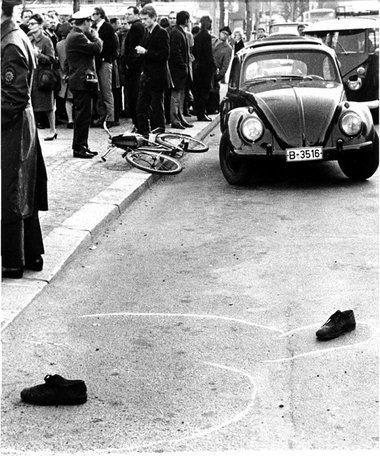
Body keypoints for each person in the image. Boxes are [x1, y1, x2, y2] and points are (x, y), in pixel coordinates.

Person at [1, 0, 48, 279]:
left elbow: (12, 97)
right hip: (18, 125)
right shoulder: (12, 37)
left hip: (13, 127)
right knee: (21, 189)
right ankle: (31, 254)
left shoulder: (10, 43)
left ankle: (13, 261)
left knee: (11, 192)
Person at [66, 8, 103, 158]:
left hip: (81, 82)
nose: (91, 27)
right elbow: (97, 48)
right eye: (90, 23)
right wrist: (97, 36)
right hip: (81, 83)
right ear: (86, 22)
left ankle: (83, 145)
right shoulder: (77, 36)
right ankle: (79, 148)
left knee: (84, 116)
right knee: (82, 117)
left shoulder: (77, 35)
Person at [135, 5, 171, 135]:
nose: (143, 22)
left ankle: (159, 136)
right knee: (141, 107)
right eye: (142, 19)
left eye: (145, 19)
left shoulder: (161, 32)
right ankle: (145, 134)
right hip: (147, 76)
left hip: (157, 77)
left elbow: (164, 55)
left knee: (156, 109)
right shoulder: (148, 32)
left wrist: (145, 51)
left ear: (154, 18)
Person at [28, 13, 57, 141]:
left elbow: (51, 59)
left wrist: (38, 55)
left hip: (43, 76)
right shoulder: (29, 39)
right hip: (32, 76)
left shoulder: (46, 41)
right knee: (33, 104)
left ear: (40, 25)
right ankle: (32, 130)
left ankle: (53, 130)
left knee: (48, 105)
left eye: (33, 23)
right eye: (29, 24)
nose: (30, 26)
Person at [92, 7, 118, 128]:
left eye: (95, 14)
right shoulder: (95, 27)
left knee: (106, 90)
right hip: (97, 62)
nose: (93, 16)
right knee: (99, 91)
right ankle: (103, 115)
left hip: (104, 61)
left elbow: (112, 46)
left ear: (100, 15)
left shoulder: (107, 27)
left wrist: (105, 57)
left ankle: (110, 117)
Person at [168, 11, 193, 129]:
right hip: (177, 70)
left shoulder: (178, 31)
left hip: (180, 69)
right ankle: (175, 119)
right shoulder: (177, 33)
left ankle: (180, 117)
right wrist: (183, 65)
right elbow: (175, 52)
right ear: (186, 20)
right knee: (176, 96)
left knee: (180, 95)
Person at [124, 5, 145, 128]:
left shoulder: (136, 27)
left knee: (134, 97)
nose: (127, 16)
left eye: (129, 14)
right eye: (126, 14)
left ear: (137, 15)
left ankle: (137, 125)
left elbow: (135, 48)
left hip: (134, 70)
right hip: (136, 68)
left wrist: (129, 65)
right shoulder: (136, 26)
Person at [192, 15, 216, 121]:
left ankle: (199, 112)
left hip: (198, 67)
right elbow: (208, 54)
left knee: (199, 92)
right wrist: (214, 67)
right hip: (205, 68)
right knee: (204, 92)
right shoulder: (206, 36)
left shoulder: (197, 36)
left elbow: (194, 52)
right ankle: (201, 114)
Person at [208, 25, 232, 114]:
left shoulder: (228, 48)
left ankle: (214, 108)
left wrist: (220, 75)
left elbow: (226, 64)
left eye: (227, 34)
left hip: (216, 71)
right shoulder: (212, 41)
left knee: (214, 91)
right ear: (220, 33)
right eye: (223, 33)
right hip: (207, 69)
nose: (225, 35)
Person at [55, 21, 74, 128]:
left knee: (68, 99)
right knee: (77, 98)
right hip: (74, 73)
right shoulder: (74, 42)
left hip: (63, 74)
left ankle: (70, 120)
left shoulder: (59, 44)